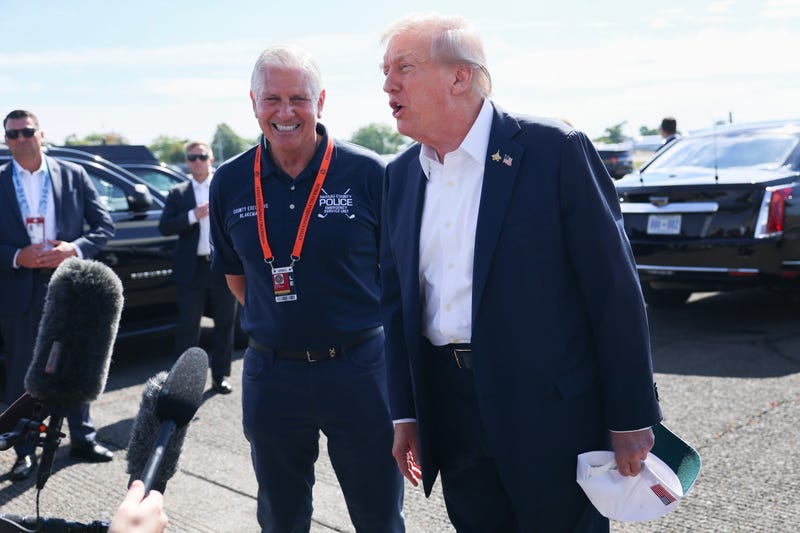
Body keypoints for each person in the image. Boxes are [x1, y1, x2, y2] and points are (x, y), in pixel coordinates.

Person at [379, 14, 662, 532]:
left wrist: (632, 416)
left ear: (460, 76)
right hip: (452, 414)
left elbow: (613, 291)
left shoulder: (553, 149)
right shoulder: (400, 176)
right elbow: (397, 305)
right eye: (385, 71)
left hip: (551, 416)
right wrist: (407, 414)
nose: (388, 84)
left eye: (404, 68)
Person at [208, 45, 404, 532]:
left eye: (298, 98)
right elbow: (238, 276)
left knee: (378, 513)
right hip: (272, 374)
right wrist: (283, 322)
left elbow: (400, 274)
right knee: (280, 516)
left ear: (321, 101)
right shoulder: (230, 181)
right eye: (272, 98)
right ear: (253, 103)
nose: (285, 112)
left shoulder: (369, 173)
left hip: (360, 369)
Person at [0, 109, 116, 481]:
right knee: (22, 370)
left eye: (26, 131)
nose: (20, 139)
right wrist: (19, 255)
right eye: (12, 135)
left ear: (41, 133)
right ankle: (23, 451)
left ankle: (82, 438)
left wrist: (74, 248)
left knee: (77, 363)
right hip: (20, 287)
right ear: (6, 140)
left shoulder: (73, 174)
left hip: (68, 284)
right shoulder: (1, 180)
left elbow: (104, 225)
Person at [158, 141, 236, 394]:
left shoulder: (224, 187)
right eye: (192, 158)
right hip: (192, 269)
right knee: (189, 326)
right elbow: (165, 227)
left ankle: (220, 376)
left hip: (222, 266)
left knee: (225, 323)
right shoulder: (178, 192)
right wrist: (193, 215)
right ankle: (183, 382)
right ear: (187, 162)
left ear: (211, 159)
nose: (197, 161)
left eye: (202, 156)